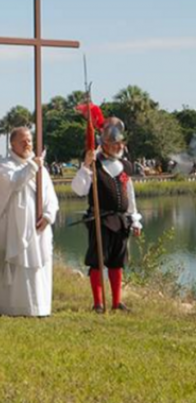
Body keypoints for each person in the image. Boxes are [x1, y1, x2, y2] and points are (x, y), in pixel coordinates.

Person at [0, 127, 59, 317]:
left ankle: (38, 306)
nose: (27, 144)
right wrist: (33, 167)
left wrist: (48, 215)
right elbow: (15, 182)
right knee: (15, 267)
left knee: (37, 267)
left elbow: (50, 196)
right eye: (23, 141)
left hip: (38, 228)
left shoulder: (41, 167)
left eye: (30, 140)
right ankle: (9, 308)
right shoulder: (4, 166)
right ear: (13, 144)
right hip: (13, 228)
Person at [71, 117, 142, 313]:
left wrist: (135, 220)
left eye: (120, 143)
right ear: (105, 144)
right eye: (113, 143)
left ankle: (117, 302)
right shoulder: (94, 164)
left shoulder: (126, 166)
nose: (118, 146)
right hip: (100, 220)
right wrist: (86, 167)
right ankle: (98, 303)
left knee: (117, 262)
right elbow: (79, 189)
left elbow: (130, 195)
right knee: (97, 262)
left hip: (121, 221)